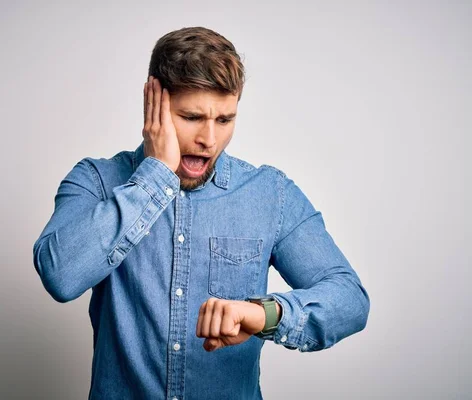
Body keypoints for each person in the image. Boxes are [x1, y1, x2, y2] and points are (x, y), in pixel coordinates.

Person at [33, 26, 370, 400]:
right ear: (154, 105)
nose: (209, 139)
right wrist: (156, 175)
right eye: (192, 117)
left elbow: (350, 299)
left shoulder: (269, 194)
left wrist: (265, 315)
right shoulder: (96, 180)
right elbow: (61, 276)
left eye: (225, 120)